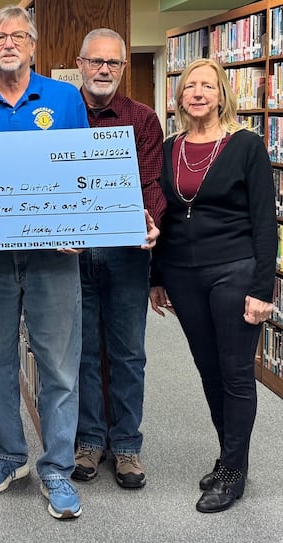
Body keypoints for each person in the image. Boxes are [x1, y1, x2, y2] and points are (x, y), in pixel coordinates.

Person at [0, 4, 89, 520]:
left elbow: (84, 171)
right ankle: (11, 455)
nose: (8, 43)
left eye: (18, 36)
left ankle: (56, 468)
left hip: (55, 258)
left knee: (58, 366)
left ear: (32, 46)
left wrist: (82, 227)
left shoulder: (65, 100)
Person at [149, 58, 276, 513]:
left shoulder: (246, 146)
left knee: (236, 374)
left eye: (207, 86)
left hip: (234, 272)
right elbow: (161, 218)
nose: (198, 93)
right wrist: (157, 277)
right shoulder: (168, 148)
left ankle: (232, 474)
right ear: (179, 97)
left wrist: (265, 290)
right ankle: (229, 457)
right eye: (189, 86)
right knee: (208, 371)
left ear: (223, 94)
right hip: (183, 275)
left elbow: (265, 221)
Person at [72, 28, 165, 489]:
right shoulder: (58, 115)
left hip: (127, 253)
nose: (104, 70)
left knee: (128, 355)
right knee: (84, 353)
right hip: (71, 254)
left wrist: (152, 220)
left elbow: (150, 182)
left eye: (113, 63)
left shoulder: (143, 119)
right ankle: (89, 441)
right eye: (96, 61)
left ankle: (126, 446)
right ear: (80, 64)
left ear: (123, 69)